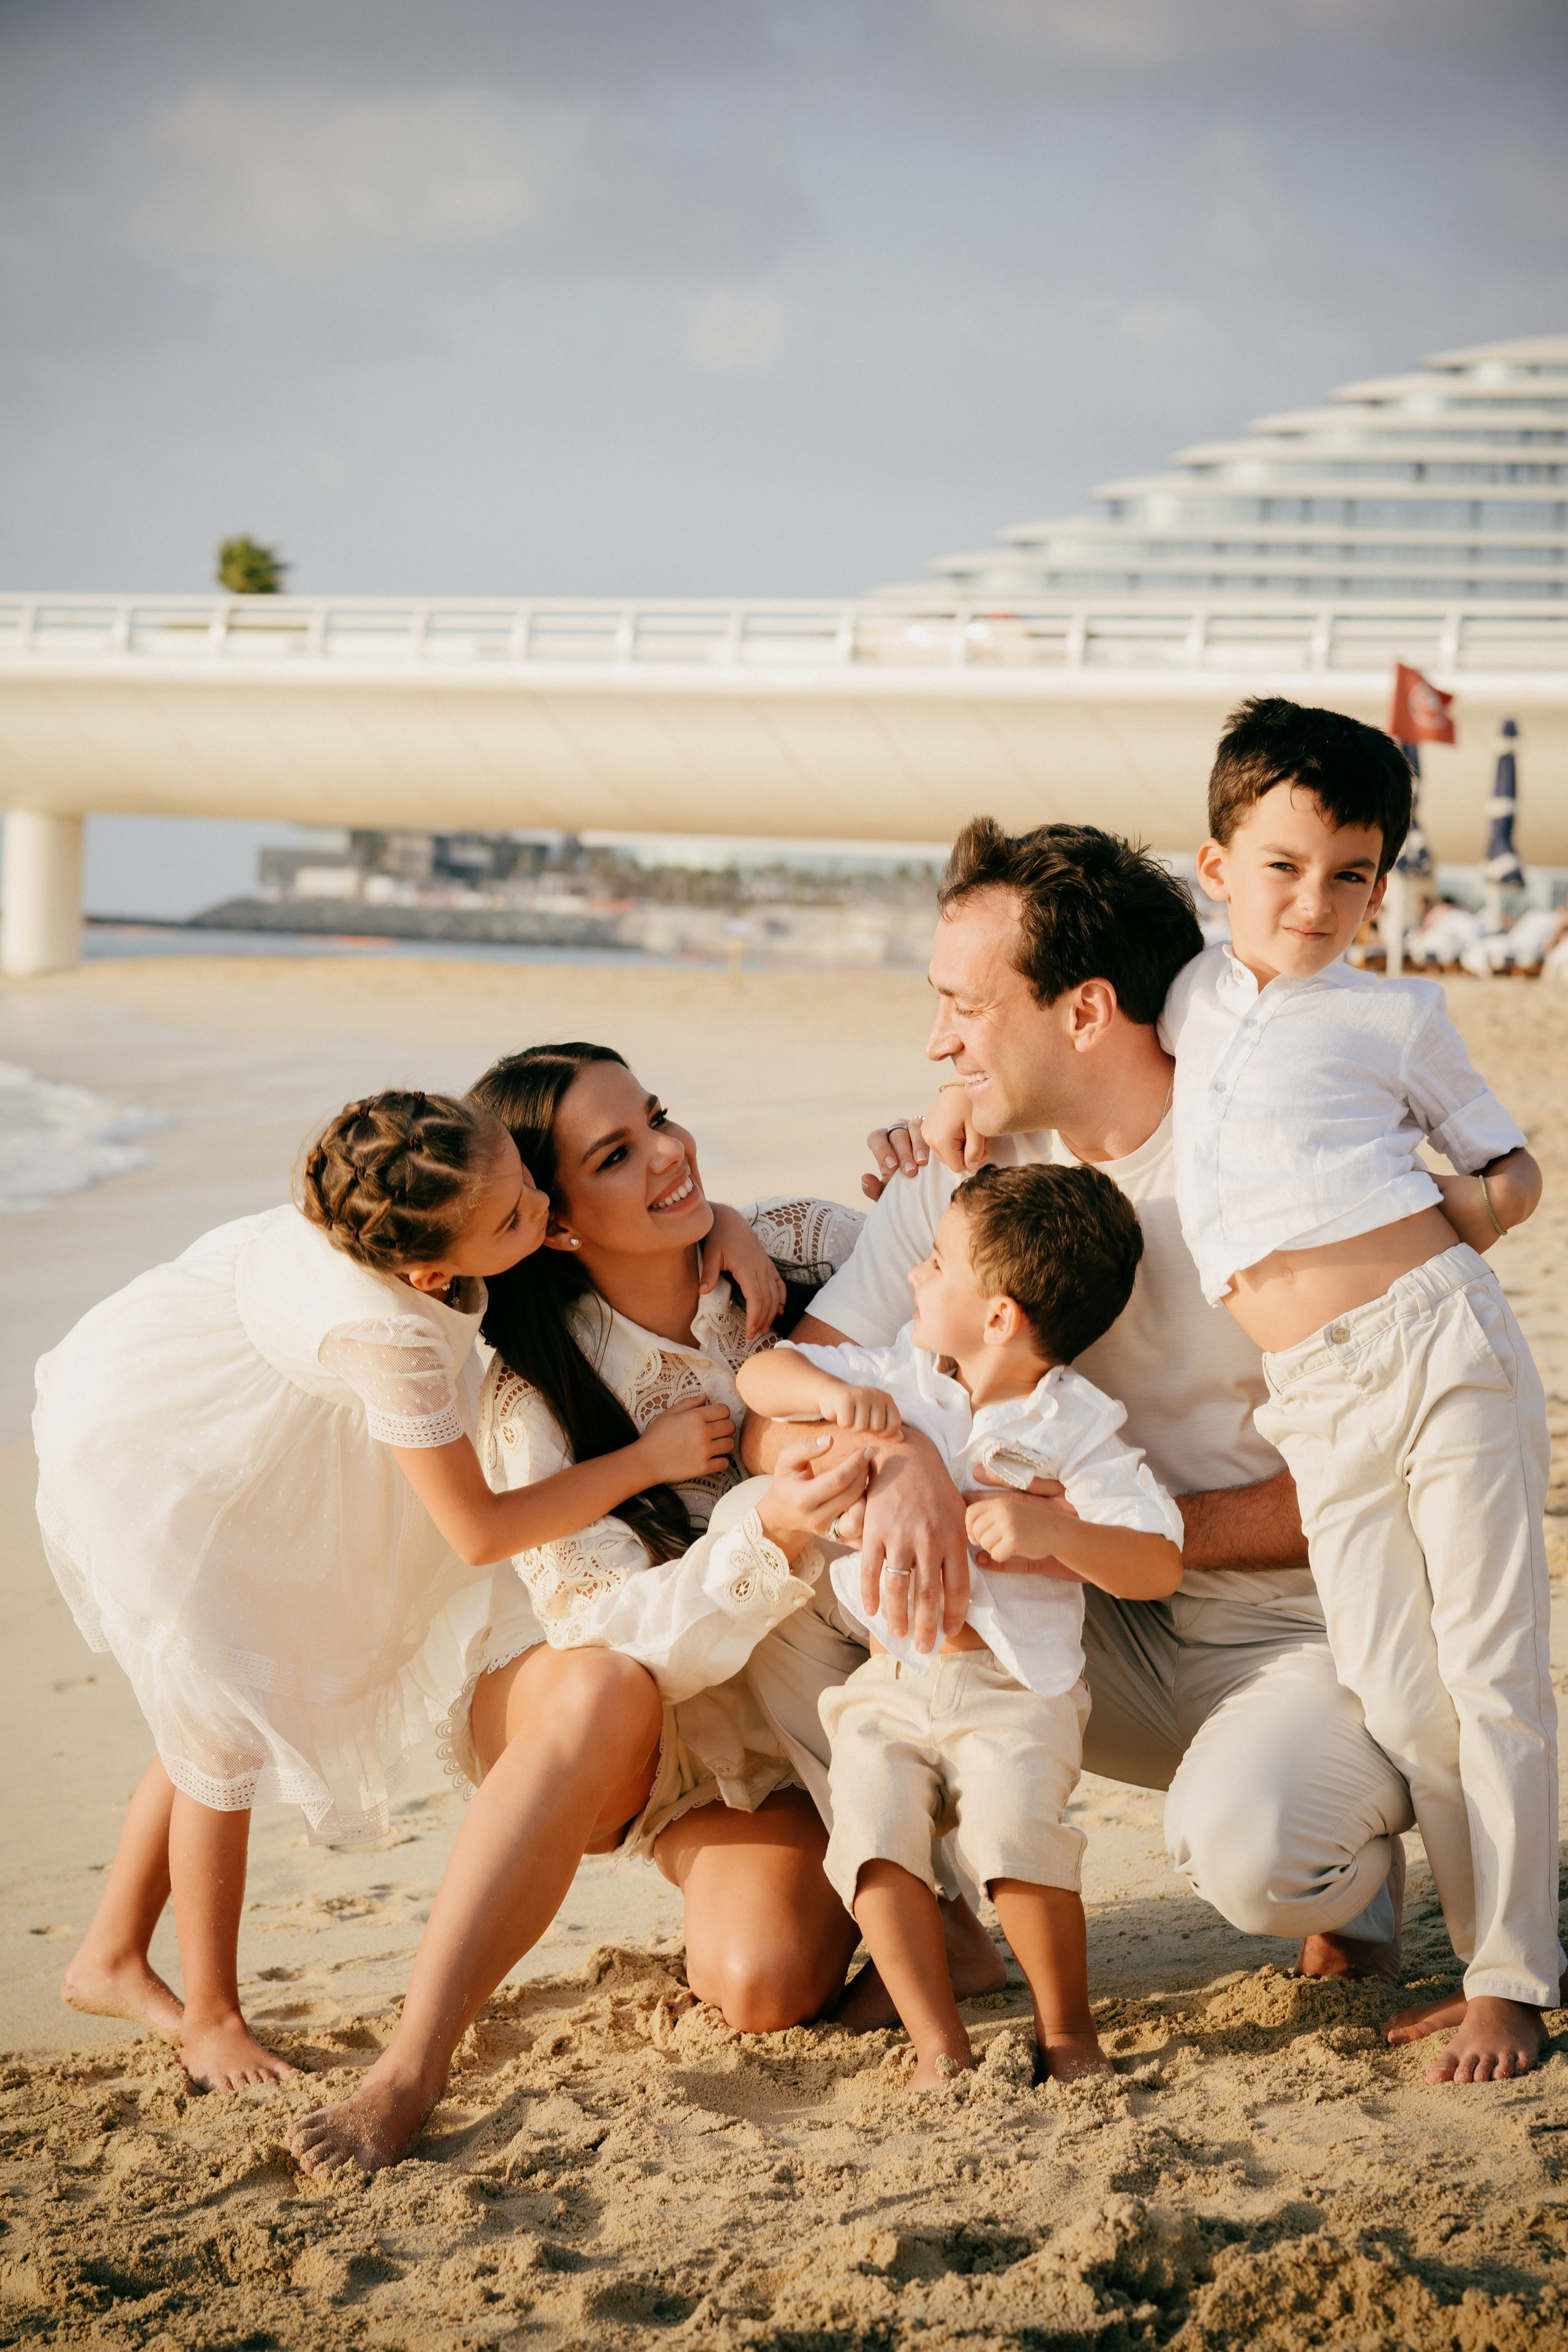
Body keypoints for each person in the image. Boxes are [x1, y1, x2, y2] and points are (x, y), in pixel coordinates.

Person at [741, 816, 1422, 2048]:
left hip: (1284, 1630)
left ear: (1084, 1010)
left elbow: (1382, 1478)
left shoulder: (1263, 1175)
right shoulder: (962, 1182)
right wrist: (892, 1463)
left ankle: (1356, 1859)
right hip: (1066, 1629)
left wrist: (1086, 1535)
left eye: (961, 1004)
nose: (935, 1041)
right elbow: (778, 1411)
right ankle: (940, 1920)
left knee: (1254, 1859)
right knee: (780, 1555)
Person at [38, 1090, 767, 2092]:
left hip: (285, 1417)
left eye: (524, 1173)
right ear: (430, 1274)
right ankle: (209, 2012)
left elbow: (543, 1191)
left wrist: (721, 1221)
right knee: (222, 1717)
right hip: (191, 1459)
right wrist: (646, 1460)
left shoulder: (436, 1173)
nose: (542, 1209)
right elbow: (479, 1534)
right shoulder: (389, 1339)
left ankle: (111, 1954)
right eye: (518, 1218)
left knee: (216, 1697)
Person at [291, 1043, 873, 2174]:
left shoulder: (791, 1247)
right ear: (551, 1221)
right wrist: (776, 1525)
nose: (670, 1153)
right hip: (594, 1709)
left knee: (765, 1984)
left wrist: (933, 1143)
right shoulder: (530, 1390)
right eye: (619, 1153)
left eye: (658, 1116)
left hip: (765, 1732)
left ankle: (711, 1851)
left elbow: (961, 1257)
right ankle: (412, 2065)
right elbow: (603, 1625)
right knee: (607, 1683)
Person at [1161, 694, 1557, 2082]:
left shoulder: (1394, 1014)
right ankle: (1469, 1946)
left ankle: (1508, 1975)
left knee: (1487, 1662)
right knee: (1397, 1686)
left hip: (1436, 1342)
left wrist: (1461, 1213)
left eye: (1349, 874)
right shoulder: (1189, 993)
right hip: (1313, 1398)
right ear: (1214, 867)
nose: (1313, 900)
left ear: (1378, 882)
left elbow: (1509, 1170)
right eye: (1280, 866)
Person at [738, 1163, 1183, 2086]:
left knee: (1017, 1839)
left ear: (1000, 1318)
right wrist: (838, 1407)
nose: (913, 1277)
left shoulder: (1078, 1427)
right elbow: (758, 1373)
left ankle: (1067, 2034)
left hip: (1014, 1690)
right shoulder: (899, 1376)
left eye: (935, 1264)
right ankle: (937, 2042)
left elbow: (1157, 1561)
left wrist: (1056, 1532)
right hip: (891, 1679)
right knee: (870, 1835)